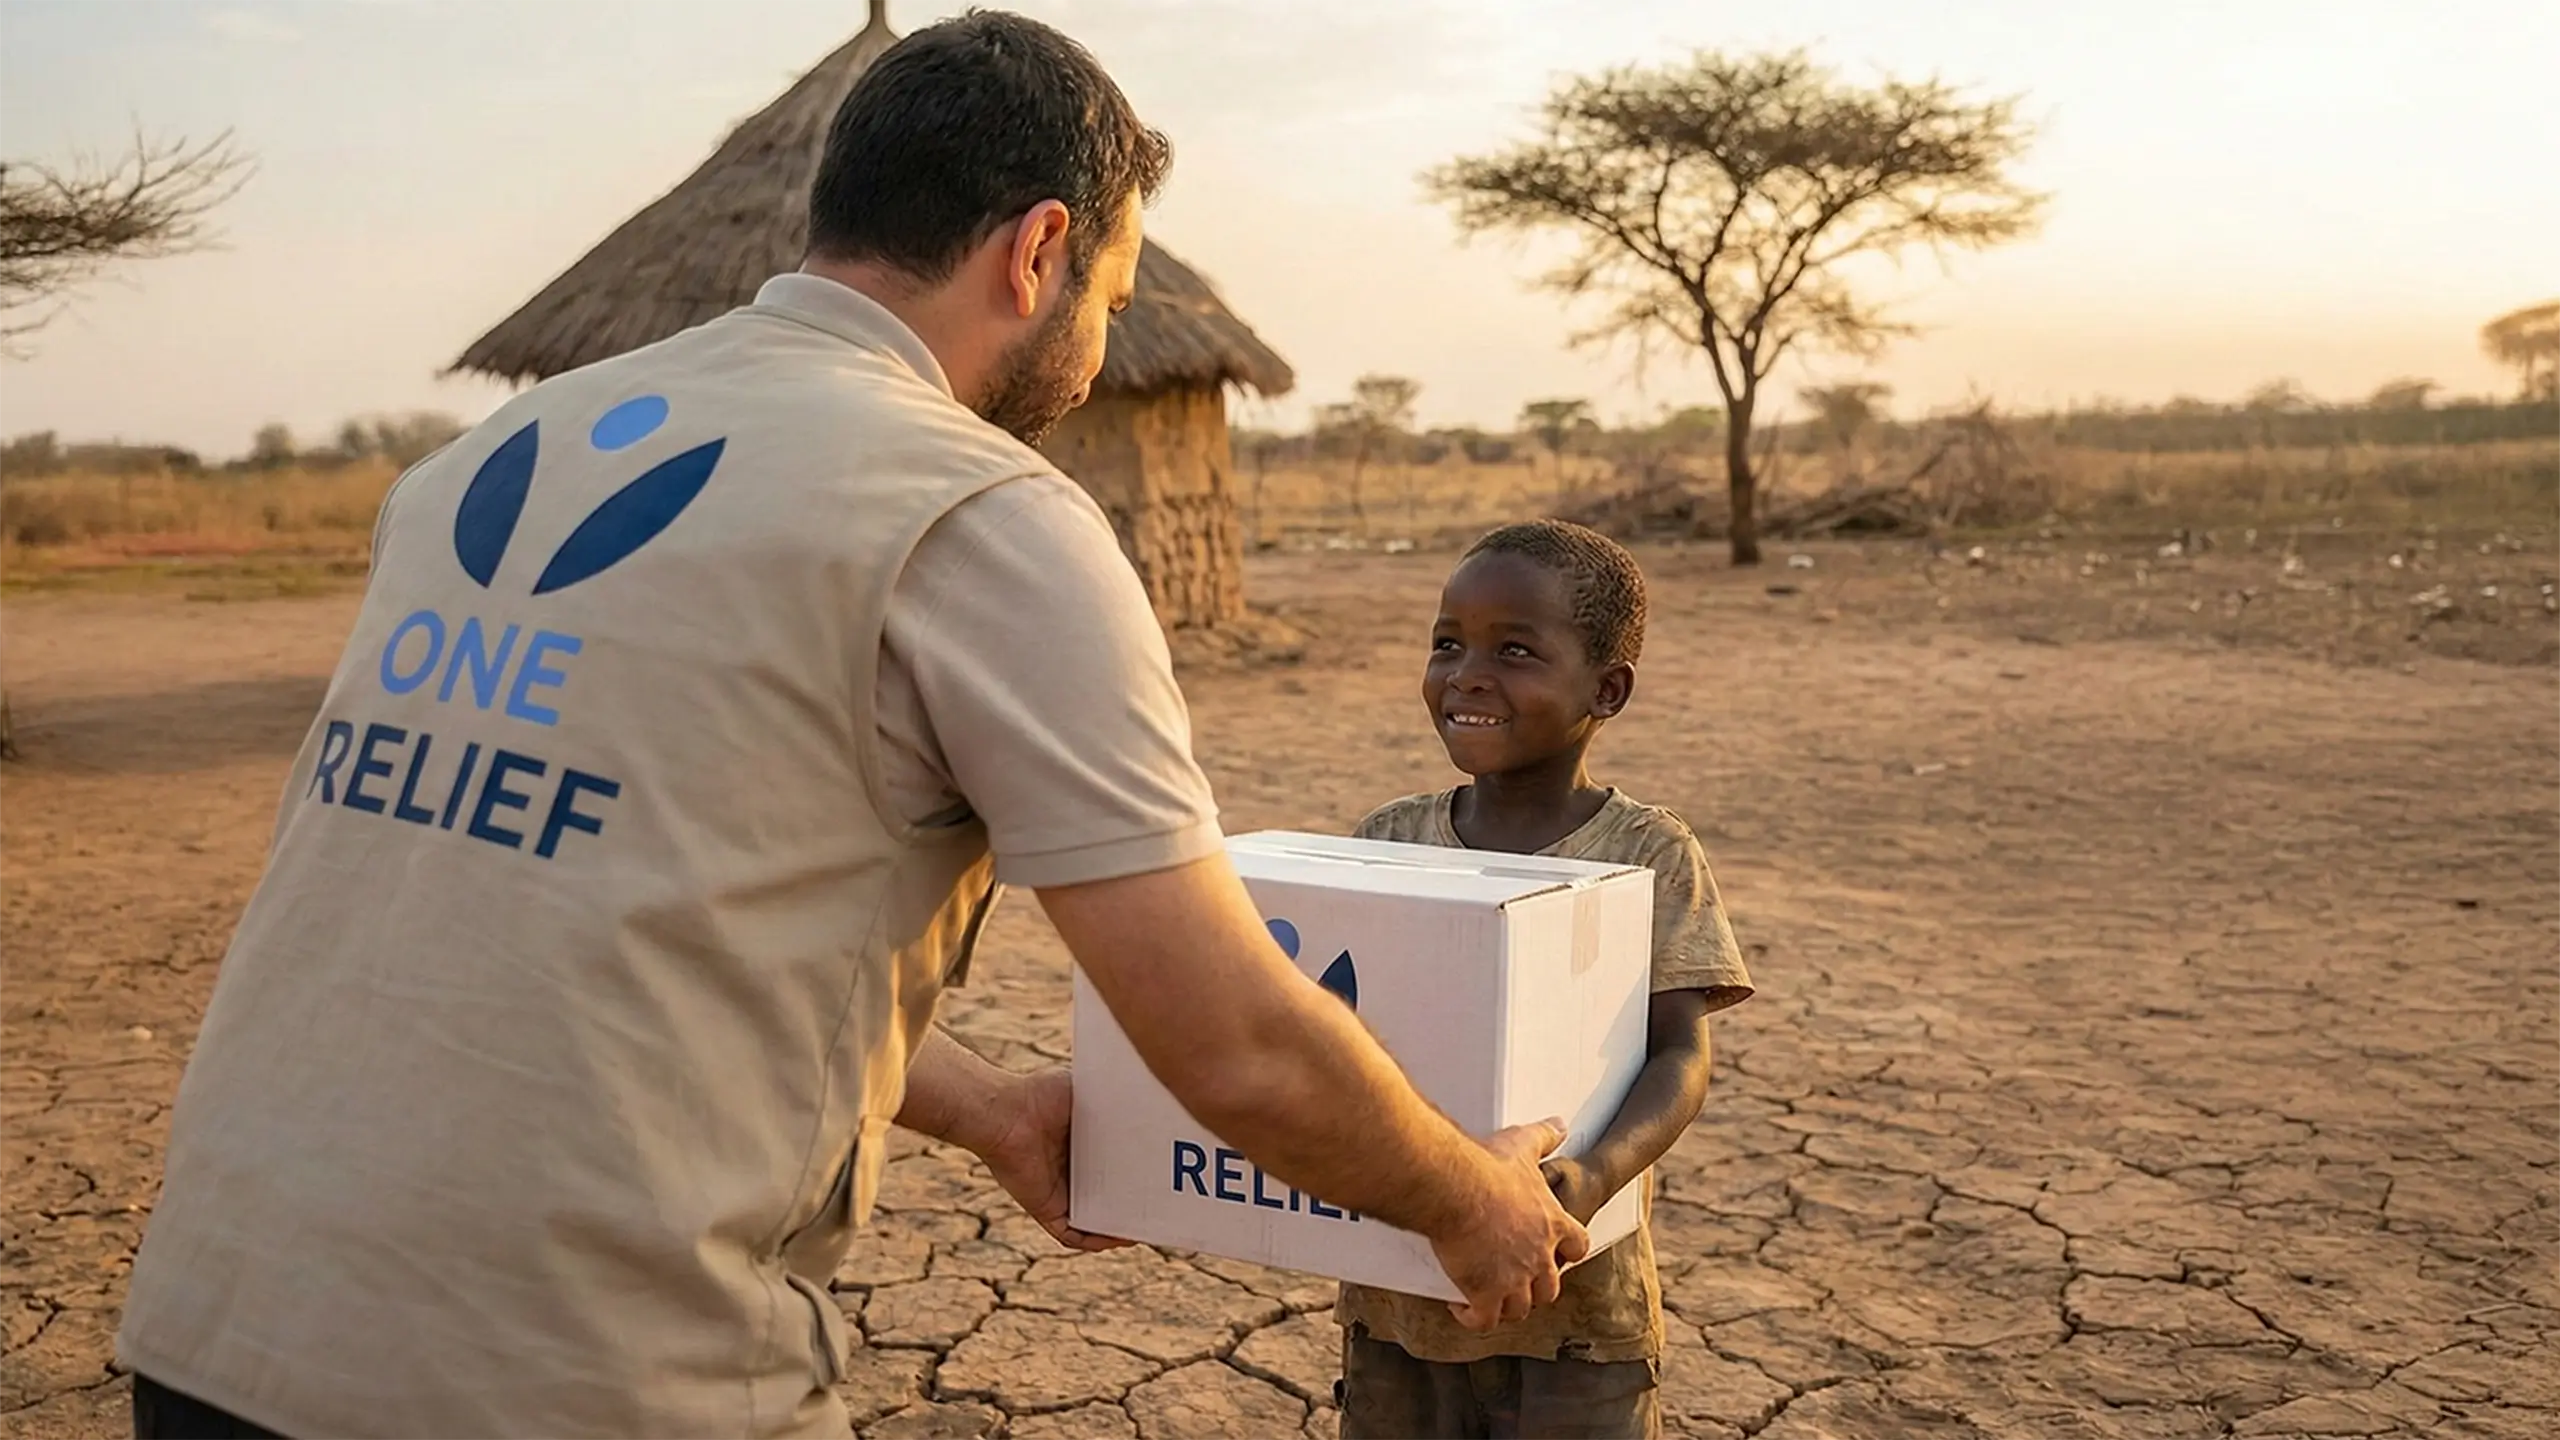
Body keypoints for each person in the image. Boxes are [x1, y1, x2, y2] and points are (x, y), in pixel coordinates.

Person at [114, 15, 1586, 1440]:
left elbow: (589, 902)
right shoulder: (979, 515)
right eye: (1116, 298)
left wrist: (993, 1106)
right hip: (580, 1375)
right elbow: (1228, 1038)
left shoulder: (485, 459)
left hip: (221, 1330)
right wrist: (1474, 1203)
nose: (1102, 346)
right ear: (1042, 252)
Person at [1333, 521, 1757, 1439]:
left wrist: (1588, 1179)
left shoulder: (1646, 852)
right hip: (1401, 1304)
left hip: (1577, 1315)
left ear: (1606, 689)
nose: (1468, 674)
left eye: (1516, 650)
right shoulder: (1389, 842)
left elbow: (1681, 1048)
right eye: (1449, 643)